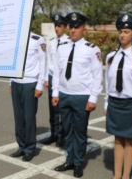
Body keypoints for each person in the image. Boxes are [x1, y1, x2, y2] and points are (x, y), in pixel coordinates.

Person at [52, 12, 103, 178]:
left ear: (83, 29)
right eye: (71, 27)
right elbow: (58, 72)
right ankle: (70, 159)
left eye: (77, 27)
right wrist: (55, 92)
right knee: (67, 130)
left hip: (82, 96)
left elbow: (97, 76)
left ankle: (78, 163)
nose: (73, 30)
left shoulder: (92, 49)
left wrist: (93, 98)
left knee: (80, 132)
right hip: (65, 95)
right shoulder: (62, 47)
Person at [104, 14, 132, 179]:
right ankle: (117, 175)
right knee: (117, 140)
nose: (122, 35)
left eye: (126, 32)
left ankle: (126, 175)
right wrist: (106, 104)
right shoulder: (110, 57)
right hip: (116, 103)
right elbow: (109, 84)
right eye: (121, 31)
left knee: (129, 141)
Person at [9, 31, 47, 162]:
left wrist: (40, 85)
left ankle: (30, 148)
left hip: (30, 82)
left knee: (29, 117)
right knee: (18, 117)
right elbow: (12, 61)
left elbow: (43, 63)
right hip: (16, 82)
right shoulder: (14, 37)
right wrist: (10, 81)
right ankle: (21, 146)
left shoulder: (38, 39)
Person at [41, 14, 67, 147]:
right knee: (53, 108)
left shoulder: (69, 42)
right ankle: (54, 133)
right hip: (52, 76)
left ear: (65, 27)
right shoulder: (51, 42)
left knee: (63, 108)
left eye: (60, 26)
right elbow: (48, 62)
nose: (57, 28)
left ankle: (62, 135)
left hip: (63, 78)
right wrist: (46, 79)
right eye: (56, 26)